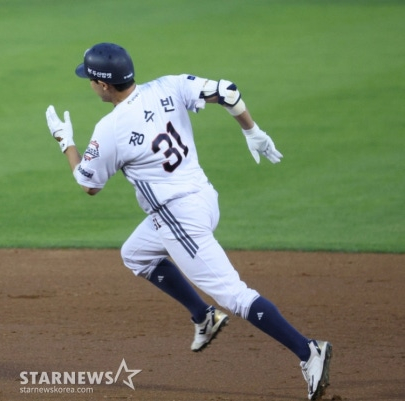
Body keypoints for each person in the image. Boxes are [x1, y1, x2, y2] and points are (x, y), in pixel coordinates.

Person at [44, 42, 332, 400]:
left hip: (178, 218)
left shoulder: (110, 128)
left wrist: (64, 141)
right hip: (204, 198)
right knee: (135, 253)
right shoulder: (169, 85)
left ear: (104, 85)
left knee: (235, 294)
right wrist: (251, 130)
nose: (89, 84)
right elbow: (227, 92)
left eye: (90, 79)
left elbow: (88, 184)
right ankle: (203, 316)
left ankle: (308, 351)